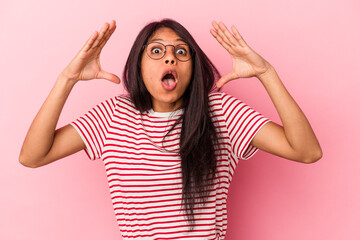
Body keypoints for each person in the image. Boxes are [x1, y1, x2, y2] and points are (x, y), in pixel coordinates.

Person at [19, 19, 322, 239]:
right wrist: (66, 79)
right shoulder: (112, 116)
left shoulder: (221, 112)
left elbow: (306, 151)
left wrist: (266, 73)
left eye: (181, 52)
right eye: (156, 51)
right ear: (138, 65)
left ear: (193, 67)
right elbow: (33, 156)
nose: (169, 57)